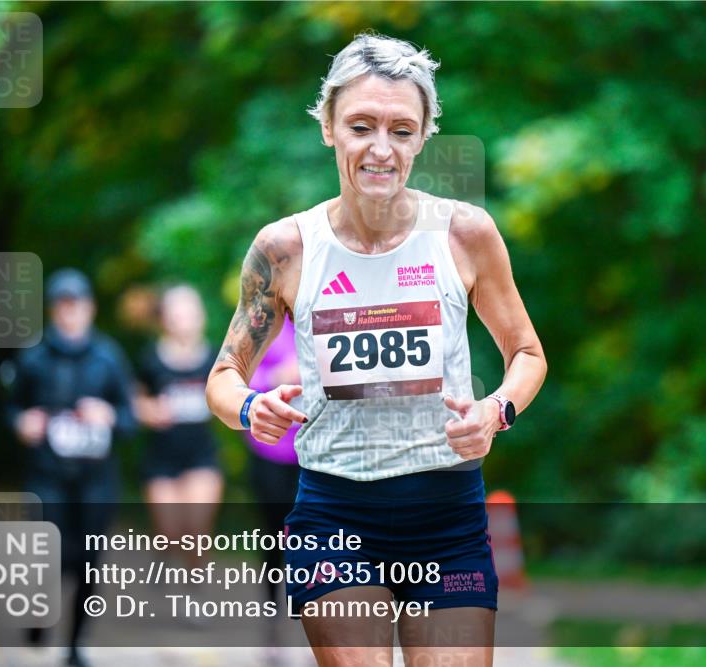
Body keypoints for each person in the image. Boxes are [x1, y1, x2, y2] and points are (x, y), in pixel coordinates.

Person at [206, 33, 547, 667]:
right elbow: (224, 376)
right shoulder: (286, 248)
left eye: (401, 130)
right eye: (361, 126)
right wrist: (251, 407)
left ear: (422, 138)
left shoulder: (464, 233)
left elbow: (527, 354)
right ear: (328, 127)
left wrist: (496, 411)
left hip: (447, 516)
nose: (381, 148)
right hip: (334, 513)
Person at [2, 268, 137, 667]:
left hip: (96, 481)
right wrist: (21, 423)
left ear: (90, 309)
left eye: (76, 305)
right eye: (62, 306)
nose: (70, 313)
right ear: (52, 310)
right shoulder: (32, 358)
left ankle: (75, 645)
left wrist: (108, 416)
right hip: (47, 476)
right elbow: (11, 408)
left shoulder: (109, 358)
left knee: (89, 561)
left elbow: (130, 420)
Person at [134, 284, 223, 568]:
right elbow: (134, 400)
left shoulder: (216, 359)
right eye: (177, 312)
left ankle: (194, 586)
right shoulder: (150, 359)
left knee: (196, 532)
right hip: (161, 458)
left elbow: (232, 397)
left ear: (201, 316)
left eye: (189, 311)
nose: (184, 318)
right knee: (169, 533)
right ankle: (162, 555)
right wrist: (148, 410)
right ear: (165, 318)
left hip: (201, 456)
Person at [240, 317, 303, 659]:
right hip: (271, 453)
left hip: (318, 455)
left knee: (318, 542)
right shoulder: (265, 326)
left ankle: (313, 627)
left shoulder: (328, 317)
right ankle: (272, 625)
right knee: (274, 540)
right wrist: (279, 376)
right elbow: (239, 385)